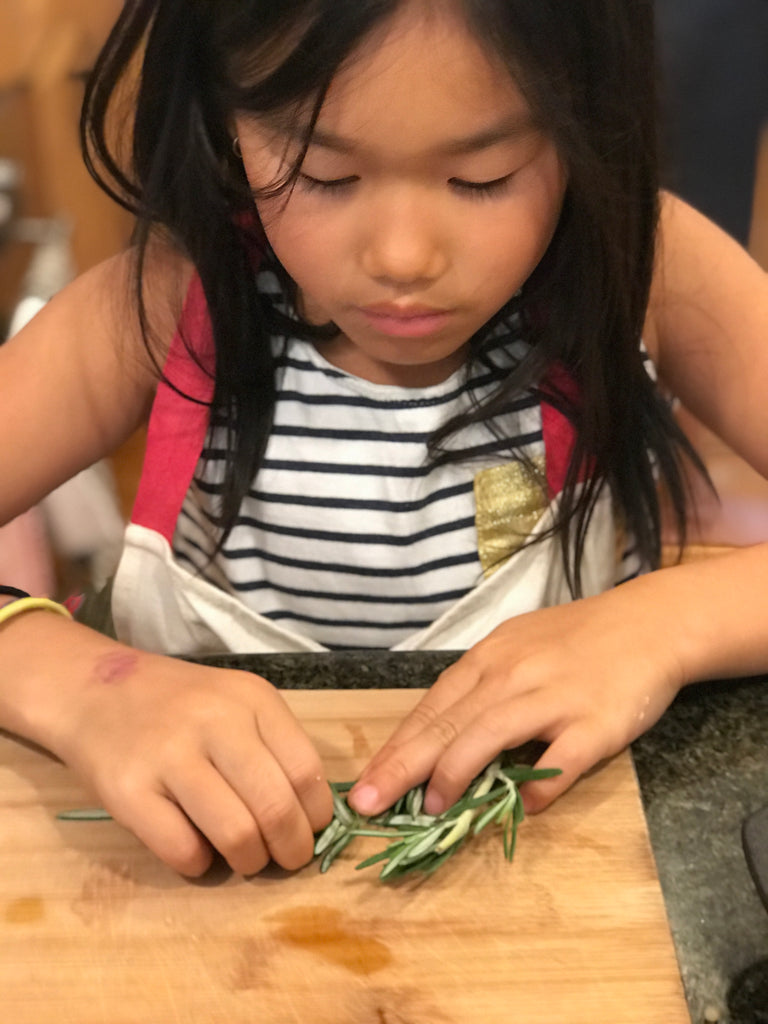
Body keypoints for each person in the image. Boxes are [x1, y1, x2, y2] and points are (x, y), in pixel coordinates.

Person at [1, 0, 767, 880]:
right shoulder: (161, 309)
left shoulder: (646, 272)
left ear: (587, 123)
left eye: (484, 176)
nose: (403, 258)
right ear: (226, 118)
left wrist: (664, 627)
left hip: (563, 884)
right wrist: (72, 684)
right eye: (324, 175)